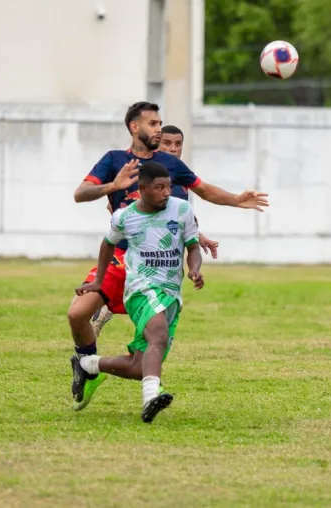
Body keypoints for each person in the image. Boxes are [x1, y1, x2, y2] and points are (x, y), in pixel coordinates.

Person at [68, 101, 268, 407]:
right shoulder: (114, 160)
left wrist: (235, 200)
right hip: (122, 257)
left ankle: (131, 379)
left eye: (160, 123)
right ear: (134, 127)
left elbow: (200, 193)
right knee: (77, 313)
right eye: (153, 124)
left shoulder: (168, 165)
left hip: (156, 267)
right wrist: (114, 184)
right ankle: (87, 366)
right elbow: (80, 194)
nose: (159, 129)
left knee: (149, 344)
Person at [72, 162, 204, 423]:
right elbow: (107, 244)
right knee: (158, 335)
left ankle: (88, 365)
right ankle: (151, 397)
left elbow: (193, 246)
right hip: (140, 288)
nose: (167, 192)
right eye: (159, 188)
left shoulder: (182, 210)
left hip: (171, 293)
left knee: (138, 366)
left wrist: (194, 269)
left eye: (169, 187)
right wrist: (98, 280)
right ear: (142, 189)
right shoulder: (124, 217)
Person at [90, 123, 218, 337]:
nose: (173, 149)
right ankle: (102, 321)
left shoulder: (181, 177)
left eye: (178, 144)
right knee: (142, 294)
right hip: (132, 248)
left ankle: (136, 345)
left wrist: (199, 236)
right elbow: (117, 206)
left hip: (165, 254)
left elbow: (179, 217)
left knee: (158, 300)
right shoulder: (143, 173)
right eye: (167, 143)